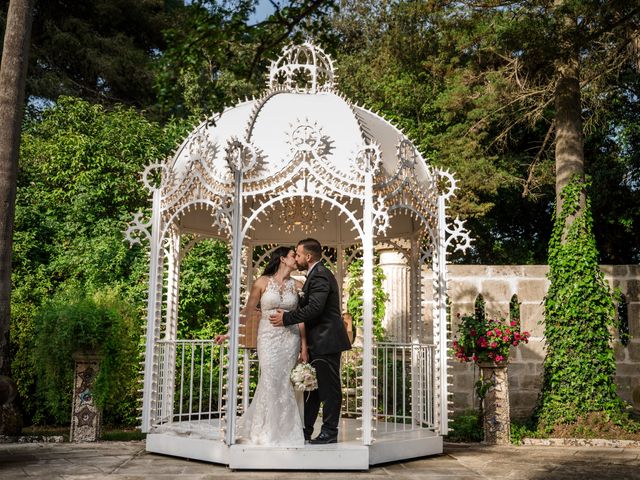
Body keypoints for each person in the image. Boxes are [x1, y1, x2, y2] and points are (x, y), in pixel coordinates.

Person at [216, 246, 307, 446]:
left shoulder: (299, 285)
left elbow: (301, 318)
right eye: (293, 256)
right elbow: (247, 312)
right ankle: (263, 430)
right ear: (283, 259)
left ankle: (284, 430)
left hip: (290, 339)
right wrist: (229, 333)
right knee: (270, 379)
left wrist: (304, 346)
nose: (296, 259)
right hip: (268, 338)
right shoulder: (262, 282)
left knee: (284, 382)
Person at [269, 238, 352, 444]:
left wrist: (286, 318)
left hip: (327, 340)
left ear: (308, 256)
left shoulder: (321, 275)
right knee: (313, 389)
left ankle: (330, 432)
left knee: (329, 389)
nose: (296, 258)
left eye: (297, 254)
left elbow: (315, 308)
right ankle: (306, 430)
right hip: (318, 341)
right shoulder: (314, 275)